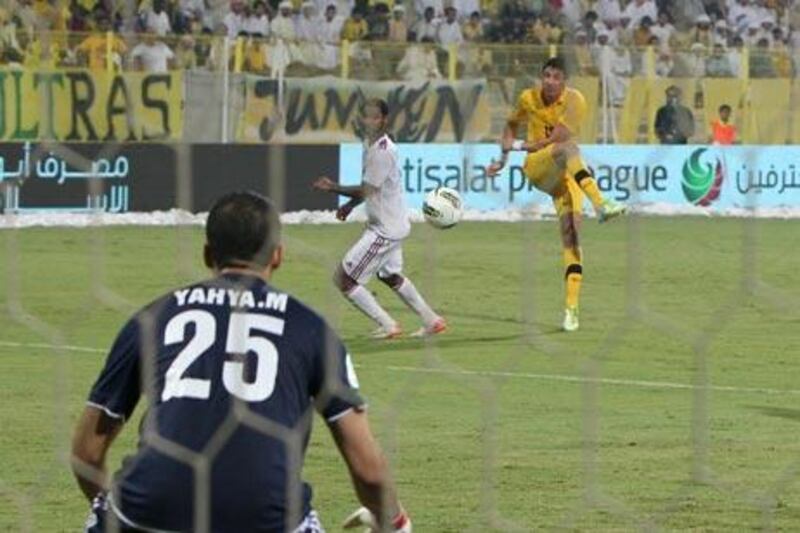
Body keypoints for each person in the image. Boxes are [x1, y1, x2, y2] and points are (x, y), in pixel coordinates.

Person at [71, 191, 412, 532]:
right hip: (266, 518)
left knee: (109, 510)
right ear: (277, 256)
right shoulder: (310, 328)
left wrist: (114, 511)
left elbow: (86, 453)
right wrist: (395, 522)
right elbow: (368, 472)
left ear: (207, 254)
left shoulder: (151, 318)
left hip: (148, 511)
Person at [486, 57, 626, 332]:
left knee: (571, 236)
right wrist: (504, 158)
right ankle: (601, 203)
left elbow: (554, 138)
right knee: (568, 147)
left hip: (566, 177)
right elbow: (513, 125)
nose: (549, 81)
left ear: (564, 82)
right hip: (540, 168)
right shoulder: (528, 98)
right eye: (546, 75)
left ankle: (571, 309)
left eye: (556, 77)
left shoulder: (576, 101)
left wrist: (515, 145)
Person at [313, 98, 446, 339]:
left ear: (384, 120)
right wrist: (351, 205)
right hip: (391, 224)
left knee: (344, 280)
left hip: (385, 230)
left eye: (375, 117)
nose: (369, 121)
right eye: (366, 116)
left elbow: (367, 189)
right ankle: (431, 320)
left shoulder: (383, 151)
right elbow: (371, 187)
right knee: (389, 275)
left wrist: (331, 187)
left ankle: (388, 325)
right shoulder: (369, 144)